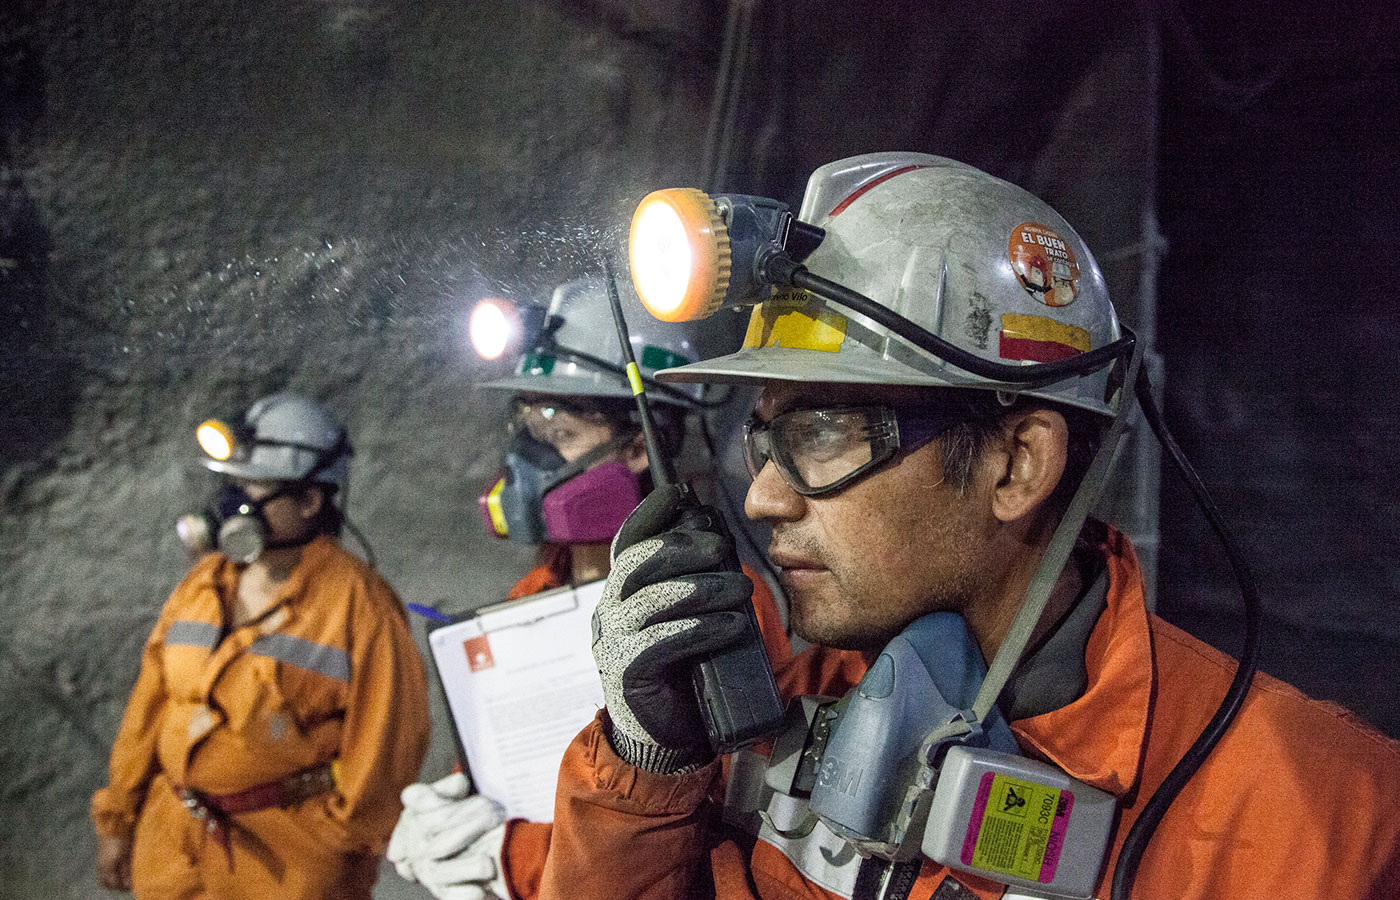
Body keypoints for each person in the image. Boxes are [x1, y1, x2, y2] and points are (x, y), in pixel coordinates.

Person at [506, 155, 1400, 899]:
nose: (761, 499)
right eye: (765, 436)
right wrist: (645, 770)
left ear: (1018, 463)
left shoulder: (1328, 825)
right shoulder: (785, 707)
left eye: (823, 433)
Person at [387, 277, 797, 900]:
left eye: (557, 435)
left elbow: (698, 839)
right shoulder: (535, 592)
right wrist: (450, 828)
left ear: (637, 447)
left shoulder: (712, 609)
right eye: (526, 426)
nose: (529, 463)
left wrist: (507, 856)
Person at [92, 392, 430, 900]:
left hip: (286, 864)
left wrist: (331, 853)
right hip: (175, 849)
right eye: (231, 486)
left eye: (253, 488)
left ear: (310, 500)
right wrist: (118, 820)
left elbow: (387, 747)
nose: (233, 505)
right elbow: (150, 708)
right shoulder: (204, 583)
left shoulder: (358, 605)